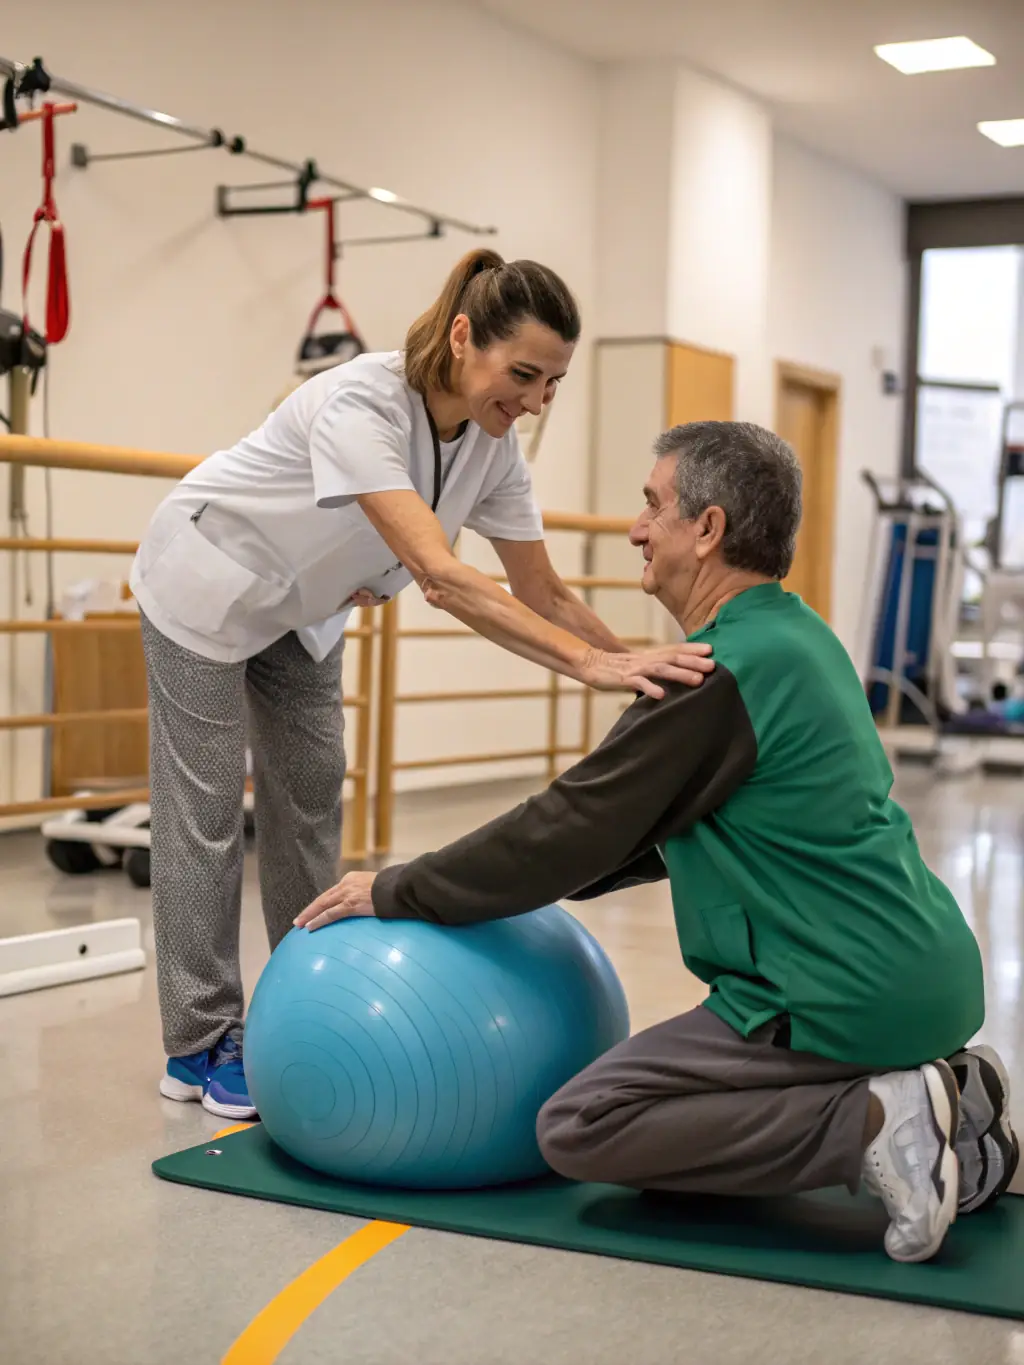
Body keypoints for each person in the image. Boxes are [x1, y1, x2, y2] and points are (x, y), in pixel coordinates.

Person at [298, 419, 1018, 1265]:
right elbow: (624, 837)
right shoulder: (800, 638)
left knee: (585, 1126)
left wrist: (399, 887)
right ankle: (955, 1104)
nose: (637, 528)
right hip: (918, 976)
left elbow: (567, 829)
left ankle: (875, 1122)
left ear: (707, 528)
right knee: (684, 1166)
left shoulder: (713, 676)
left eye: (652, 506)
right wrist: (532, 869)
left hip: (837, 990)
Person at [132, 249, 714, 1120]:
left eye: (551, 383)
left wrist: (645, 658)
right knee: (207, 814)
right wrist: (593, 666)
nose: (533, 401)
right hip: (205, 581)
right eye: (521, 375)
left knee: (312, 794)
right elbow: (440, 575)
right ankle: (200, 1038)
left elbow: (542, 589)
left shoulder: (492, 447)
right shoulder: (359, 401)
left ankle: (298, 1002)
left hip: (300, 610)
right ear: (461, 337)